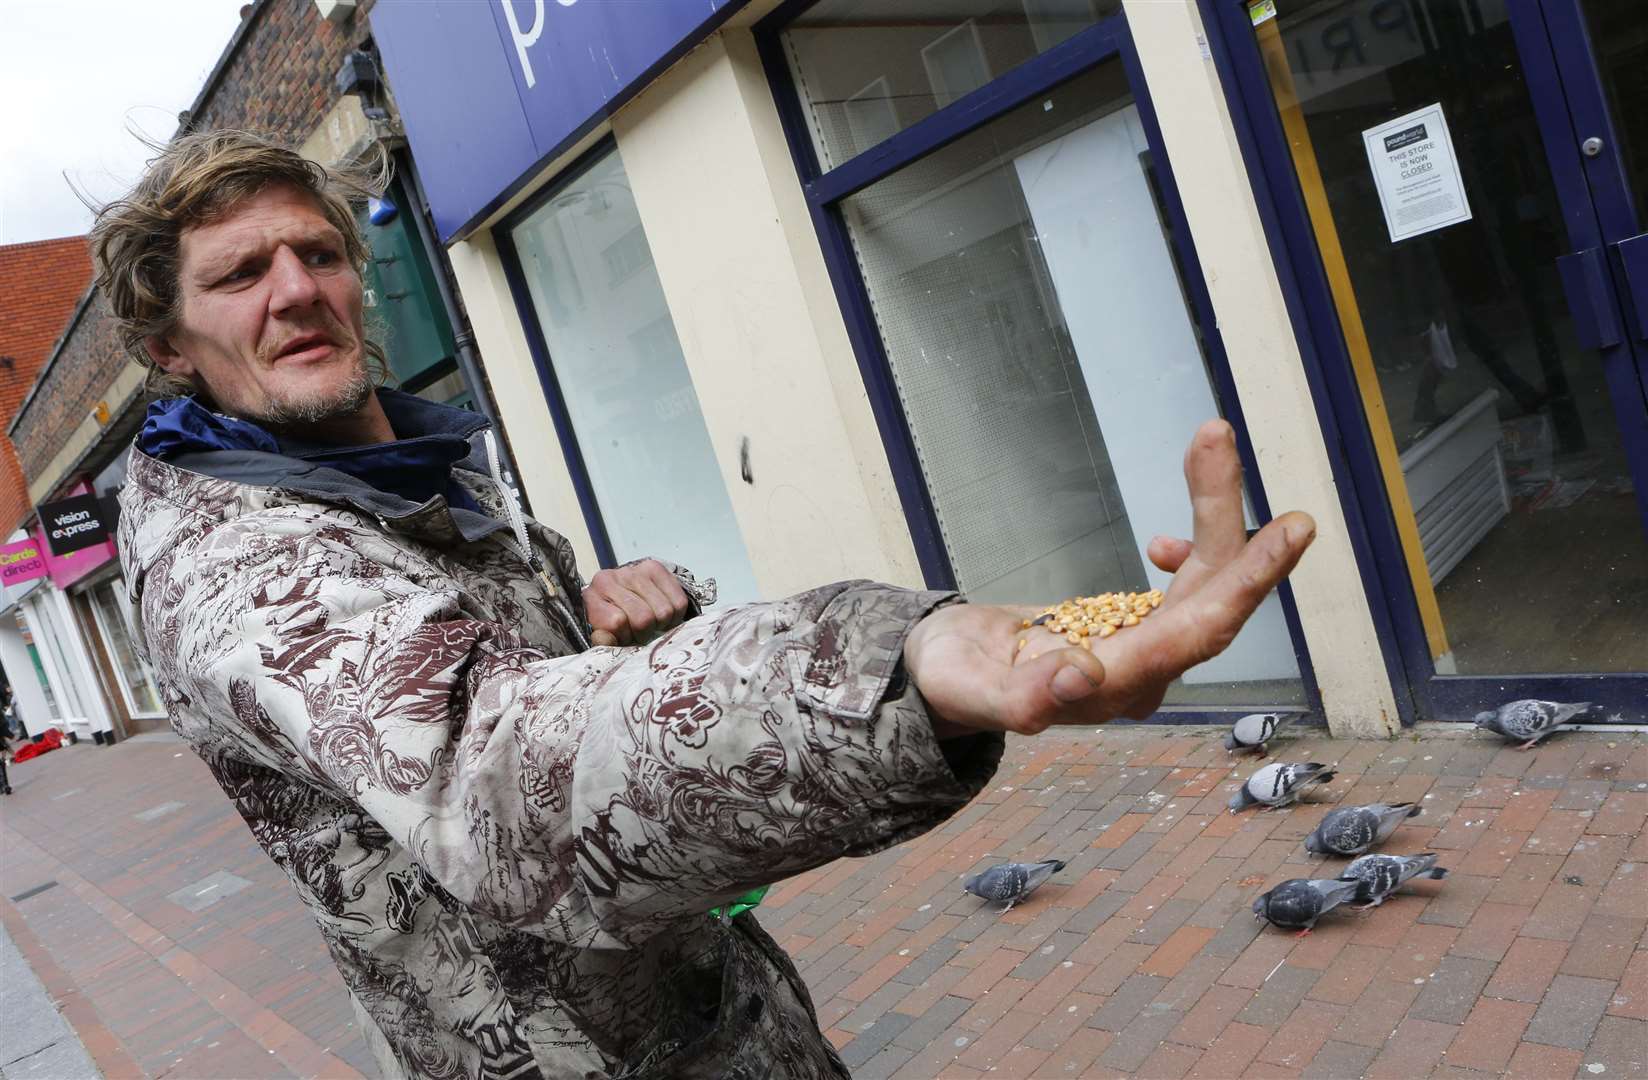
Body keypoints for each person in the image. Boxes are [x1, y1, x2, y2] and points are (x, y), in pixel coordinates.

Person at [93, 130, 1314, 1080]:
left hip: (708, 1018)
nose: (295, 289)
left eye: (316, 252)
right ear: (170, 345)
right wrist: (897, 665)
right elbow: (488, 770)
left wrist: (603, 630)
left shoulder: (416, 469)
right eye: (240, 275)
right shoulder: (226, 567)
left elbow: (524, 690)